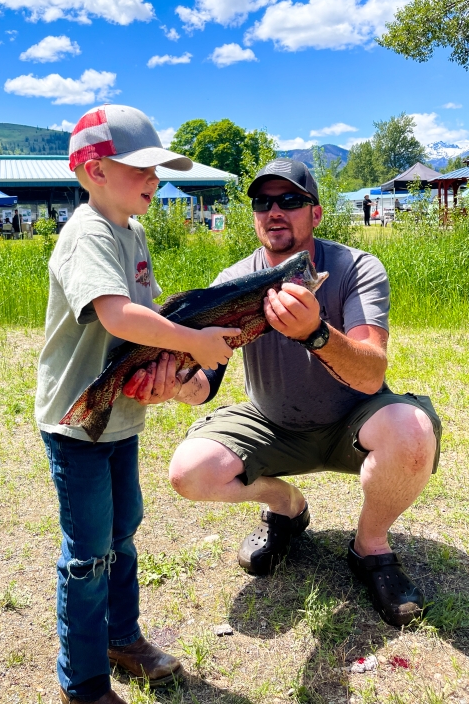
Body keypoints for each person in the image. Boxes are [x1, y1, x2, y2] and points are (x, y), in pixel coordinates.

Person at [167, 158, 442, 629]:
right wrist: (175, 383)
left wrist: (316, 333)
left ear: (315, 214)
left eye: (291, 200)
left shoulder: (356, 267)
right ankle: (287, 508)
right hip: (271, 421)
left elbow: (373, 372)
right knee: (189, 473)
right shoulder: (231, 283)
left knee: (413, 431)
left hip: (355, 417)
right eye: (263, 201)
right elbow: (203, 385)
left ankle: (370, 547)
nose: (275, 211)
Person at [35, 104, 241, 704]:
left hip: (119, 417)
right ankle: (83, 679)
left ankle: (121, 638)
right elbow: (117, 313)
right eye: (141, 169)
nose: (154, 180)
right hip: (77, 421)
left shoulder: (132, 230)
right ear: (95, 170)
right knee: (89, 550)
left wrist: (178, 373)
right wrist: (194, 344)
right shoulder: (88, 233)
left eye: (158, 171)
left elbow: (149, 319)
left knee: (123, 532)